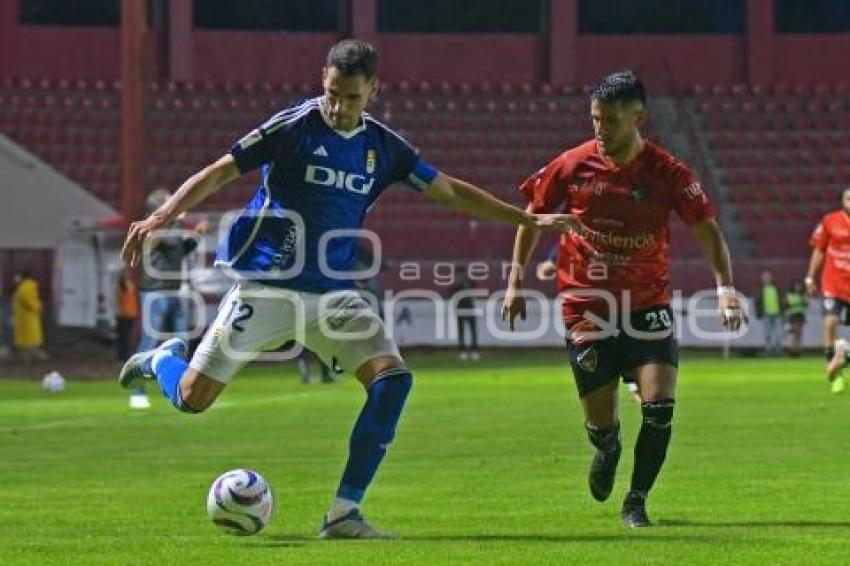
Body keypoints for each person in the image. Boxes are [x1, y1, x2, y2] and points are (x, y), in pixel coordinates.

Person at [118, 40, 571, 539]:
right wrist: (163, 216)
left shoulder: (384, 147)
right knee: (192, 399)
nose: (337, 106)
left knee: (393, 381)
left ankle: (343, 514)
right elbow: (221, 170)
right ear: (323, 80)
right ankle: (164, 359)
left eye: (351, 97)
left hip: (333, 296)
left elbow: (448, 190)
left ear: (373, 91)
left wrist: (524, 218)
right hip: (266, 289)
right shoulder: (293, 126)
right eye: (332, 92)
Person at [502, 70, 745, 528]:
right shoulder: (572, 165)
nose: (600, 129)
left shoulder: (668, 173)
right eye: (596, 119)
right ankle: (608, 447)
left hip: (646, 302)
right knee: (601, 424)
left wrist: (726, 290)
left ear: (639, 118)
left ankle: (636, 500)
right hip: (585, 303)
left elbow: (706, 229)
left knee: (659, 409)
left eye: (611, 120)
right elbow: (529, 217)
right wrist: (515, 281)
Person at [129, 190, 207, 410]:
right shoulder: (155, 227)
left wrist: (196, 236)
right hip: (155, 292)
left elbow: (180, 249)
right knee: (149, 342)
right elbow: (170, 242)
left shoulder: (173, 227)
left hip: (173, 290)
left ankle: (182, 390)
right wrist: (181, 223)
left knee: (182, 342)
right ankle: (137, 392)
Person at [806, 187, 850, 393]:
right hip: (833, 283)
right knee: (830, 321)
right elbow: (819, 249)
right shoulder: (830, 221)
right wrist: (810, 277)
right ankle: (835, 370)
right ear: (843, 200)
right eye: (848, 197)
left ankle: (844, 354)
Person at [12, 271, 47, 361]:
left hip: (25, 317)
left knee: (28, 336)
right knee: (31, 336)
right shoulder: (29, 286)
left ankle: (29, 354)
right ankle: (31, 354)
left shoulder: (25, 287)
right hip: (28, 316)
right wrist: (38, 307)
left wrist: (37, 307)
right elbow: (31, 301)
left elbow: (26, 299)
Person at [448, 266, 480, 361]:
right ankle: (462, 351)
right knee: (461, 331)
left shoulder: (469, 282)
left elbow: (475, 291)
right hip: (460, 310)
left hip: (470, 309)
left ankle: (474, 351)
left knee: (473, 330)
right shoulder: (455, 285)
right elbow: (450, 295)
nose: (461, 276)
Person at [755, 271, 783, 356]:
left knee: (778, 333)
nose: (766, 279)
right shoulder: (760, 290)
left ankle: (778, 350)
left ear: (771, 278)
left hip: (777, 313)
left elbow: (782, 300)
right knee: (767, 333)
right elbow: (757, 302)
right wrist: (758, 312)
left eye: (767, 277)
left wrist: (783, 311)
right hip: (766, 314)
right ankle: (768, 350)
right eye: (765, 278)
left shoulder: (776, 288)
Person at [116, 269, 140, 362]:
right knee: (124, 337)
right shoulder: (123, 287)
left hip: (130, 314)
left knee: (126, 336)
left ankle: (124, 355)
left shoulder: (131, 286)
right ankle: (123, 355)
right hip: (124, 314)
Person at [784, 281, 807, 357]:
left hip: (800, 315)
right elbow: (786, 306)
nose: (798, 287)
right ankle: (792, 350)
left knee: (799, 334)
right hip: (793, 315)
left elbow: (805, 304)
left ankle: (797, 350)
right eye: (797, 286)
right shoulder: (789, 295)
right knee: (795, 333)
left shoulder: (801, 295)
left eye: (799, 286)